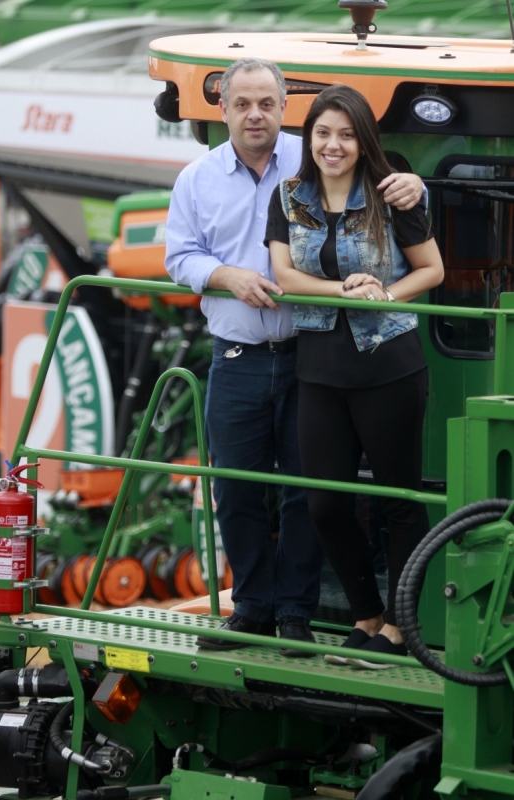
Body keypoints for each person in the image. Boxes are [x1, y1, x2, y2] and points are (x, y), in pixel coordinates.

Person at [165, 58, 425, 656]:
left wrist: (420, 186)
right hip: (237, 356)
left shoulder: (312, 155)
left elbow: (386, 184)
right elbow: (179, 257)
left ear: (284, 108)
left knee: (308, 494)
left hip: (312, 355)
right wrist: (224, 273)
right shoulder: (195, 180)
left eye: (266, 103)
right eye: (241, 104)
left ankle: (295, 616)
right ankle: (252, 607)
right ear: (223, 110)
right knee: (235, 488)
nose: (254, 114)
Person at [266, 84, 444, 666]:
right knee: (326, 503)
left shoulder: (394, 189)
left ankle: (397, 624)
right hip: (320, 367)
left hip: (390, 364)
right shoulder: (290, 197)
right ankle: (364, 614)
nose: (333, 145)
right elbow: (285, 277)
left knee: (399, 500)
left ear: (362, 139)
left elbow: (433, 270)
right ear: (308, 138)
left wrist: (383, 295)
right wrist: (344, 289)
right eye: (322, 133)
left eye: (345, 134)